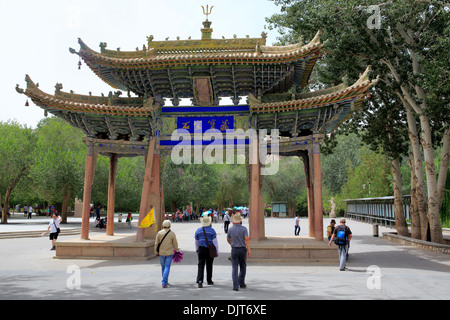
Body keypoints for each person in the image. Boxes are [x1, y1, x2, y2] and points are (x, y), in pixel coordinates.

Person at [227, 212, 251, 291]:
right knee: (243, 266)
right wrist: (249, 250)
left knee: (234, 267)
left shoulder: (230, 229)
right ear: (240, 221)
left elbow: (228, 239)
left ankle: (235, 286)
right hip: (242, 249)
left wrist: (232, 244)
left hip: (234, 249)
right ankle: (241, 283)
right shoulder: (244, 229)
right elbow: (247, 239)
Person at [195, 214, 218, 288]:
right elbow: (215, 242)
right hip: (209, 250)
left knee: (200, 265)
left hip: (201, 249)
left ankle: (200, 281)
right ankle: (209, 280)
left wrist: (197, 249)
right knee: (209, 265)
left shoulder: (198, 230)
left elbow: (196, 241)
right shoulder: (212, 231)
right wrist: (216, 251)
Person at [154, 220, 179, 288]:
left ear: (163, 225)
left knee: (163, 267)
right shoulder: (172, 233)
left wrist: (156, 252)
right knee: (167, 267)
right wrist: (176, 249)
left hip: (161, 253)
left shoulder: (159, 233)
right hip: (169, 252)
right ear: (170, 226)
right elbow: (175, 243)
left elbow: (156, 244)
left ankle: (164, 280)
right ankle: (164, 281)